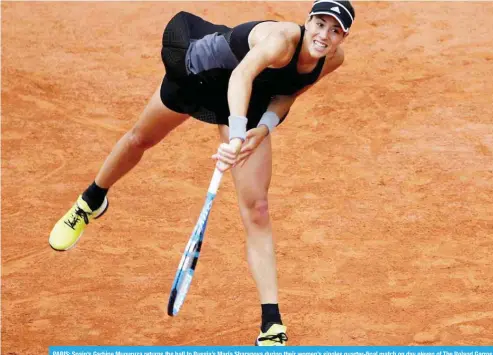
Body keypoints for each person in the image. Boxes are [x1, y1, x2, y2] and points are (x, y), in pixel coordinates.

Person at [48, 0, 355, 346]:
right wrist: (237, 134)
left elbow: (290, 92)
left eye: (335, 30)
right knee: (140, 139)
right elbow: (241, 74)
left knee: (257, 208)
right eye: (320, 24)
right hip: (201, 72)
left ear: (344, 38)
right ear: (307, 21)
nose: (324, 35)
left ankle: (272, 323)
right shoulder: (282, 40)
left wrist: (263, 128)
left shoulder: (332, 59)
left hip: (247, 99)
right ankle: (91, 201)